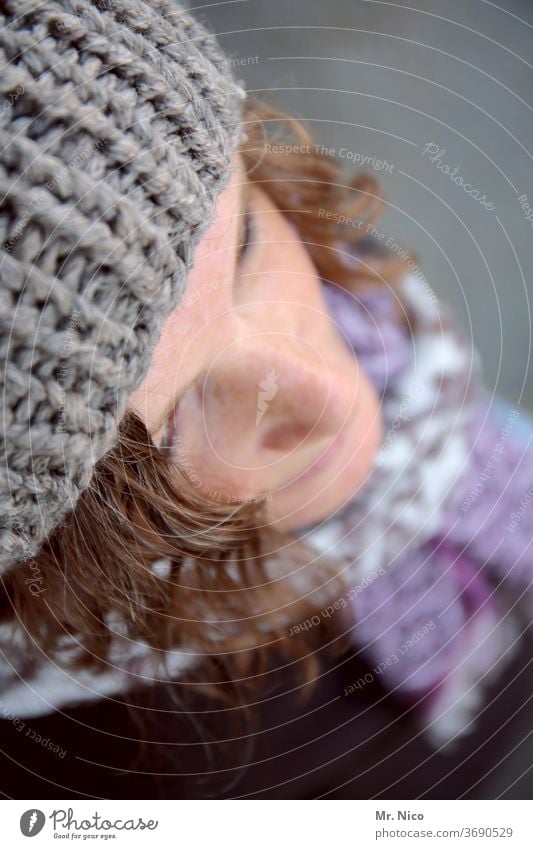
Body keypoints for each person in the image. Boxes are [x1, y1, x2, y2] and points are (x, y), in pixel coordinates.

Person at [0, 0, 531, 799]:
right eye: (171, 424)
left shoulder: (366, 312)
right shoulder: (166, 772)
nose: (329, 391)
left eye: (245, 246)